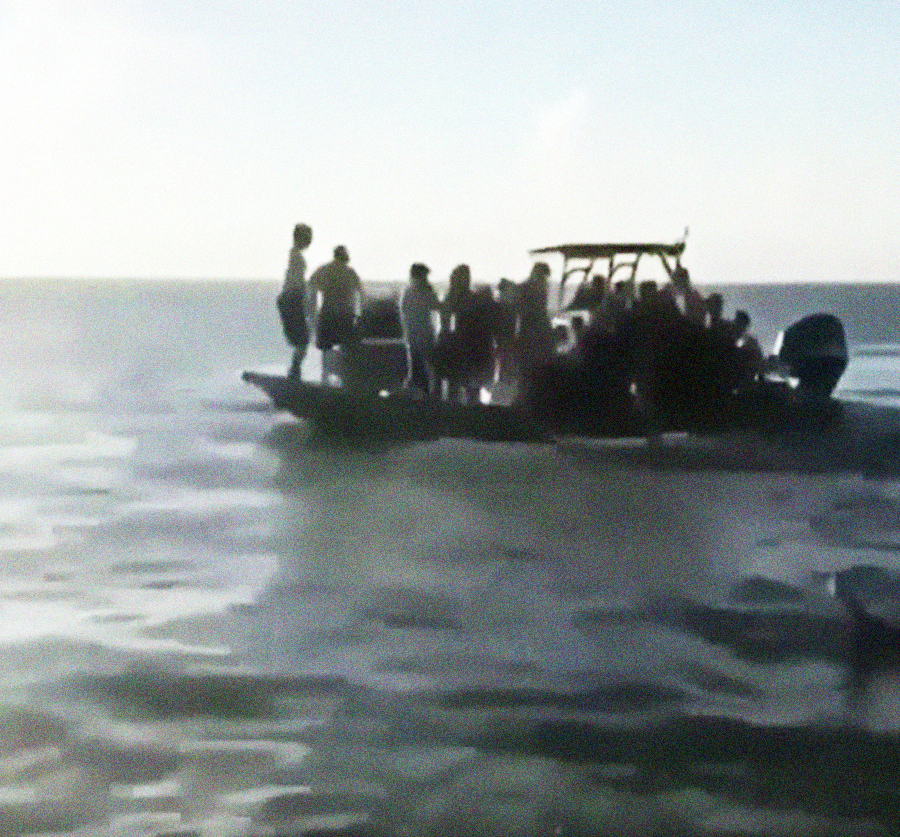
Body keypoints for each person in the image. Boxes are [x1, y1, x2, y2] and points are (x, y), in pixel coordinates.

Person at [308, 246, 363, 380]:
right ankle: (342, 378)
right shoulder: (350, 272)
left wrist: (312, 312)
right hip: (345, 315)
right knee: (345, 348)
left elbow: (312, 287)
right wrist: (360, 314)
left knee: (327, 349)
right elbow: (361, 293)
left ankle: (326, 377)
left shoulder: (325, 270)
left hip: (330, 314)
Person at [276, 223, 312, 378]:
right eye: (307, 238)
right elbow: (294, 279)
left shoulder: (296, 255)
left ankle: (294, 370)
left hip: (292, 299)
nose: (309, 242)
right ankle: (294, 370)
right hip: (291, 300)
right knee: (302, 341)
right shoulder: (295, 256)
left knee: (303, 340)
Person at [400, 263, 440, 397]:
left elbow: (404, 311)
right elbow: (436, 305)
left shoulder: (408, 292)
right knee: (427, 367)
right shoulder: (424, 291)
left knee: (416, 366)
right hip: (424, 334)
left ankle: (416, 394)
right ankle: (426, 395)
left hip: (413, 334)